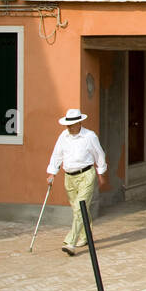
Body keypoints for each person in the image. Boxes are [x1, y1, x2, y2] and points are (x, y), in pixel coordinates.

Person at [46, 108, 108, 256]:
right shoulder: (63, 136)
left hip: (86, 174)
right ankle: (86, 236)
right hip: (69, 177)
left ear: (79, 122)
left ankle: (70, 242)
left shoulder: (89, 136)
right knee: (78, 209)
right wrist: (52, 173)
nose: (69, 126)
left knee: (80, 208)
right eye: (68, 123)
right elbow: (57, 154)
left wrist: (101, 173)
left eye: (72, 123)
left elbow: (99, 154)